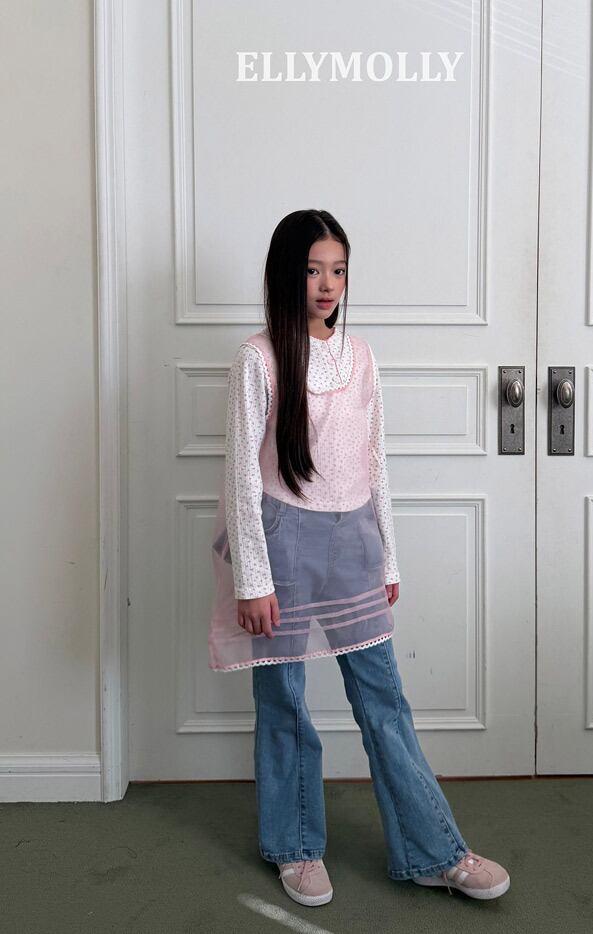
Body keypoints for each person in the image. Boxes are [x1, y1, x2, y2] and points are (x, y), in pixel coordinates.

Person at [209, 209, 510, 908]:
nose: (327, 285)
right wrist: (252, 578)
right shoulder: (258, 359)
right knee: (282, 701)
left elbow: (375, 464)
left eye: (338, 270)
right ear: (286, 274)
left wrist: (388, 561)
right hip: (281, 546)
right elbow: (242, 475)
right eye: (313, 270)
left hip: (353, 544)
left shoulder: (363, 356)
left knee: (384, 700)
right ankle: (294, 845)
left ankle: (434, 851)